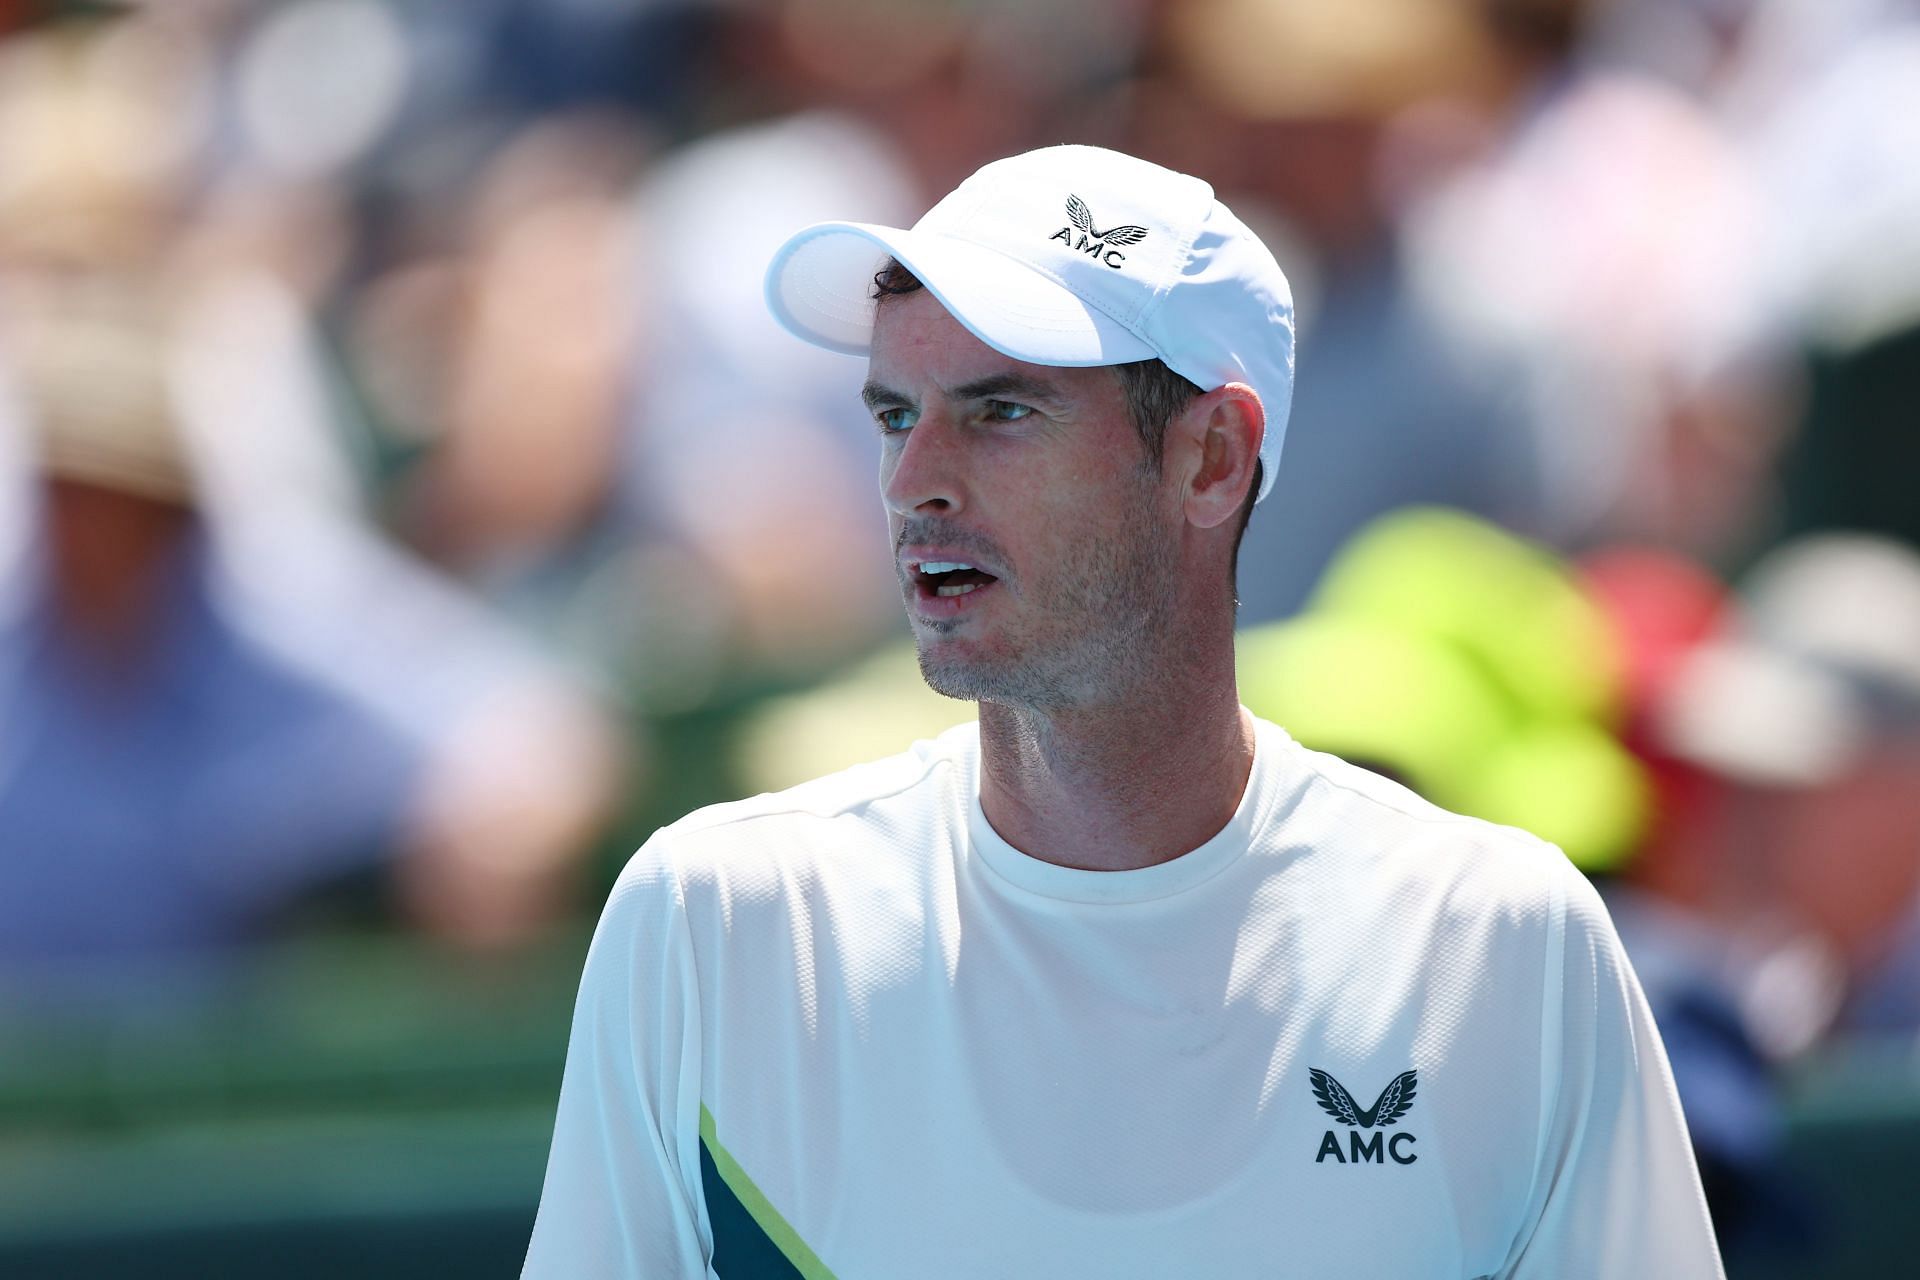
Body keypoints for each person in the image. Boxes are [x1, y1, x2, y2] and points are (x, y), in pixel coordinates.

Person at [524, 145, 1723, 1278]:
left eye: (1003, 412)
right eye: (895, 412)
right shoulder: (714, 923)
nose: (911, 480)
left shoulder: (1505, 943)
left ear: (1211, 458)